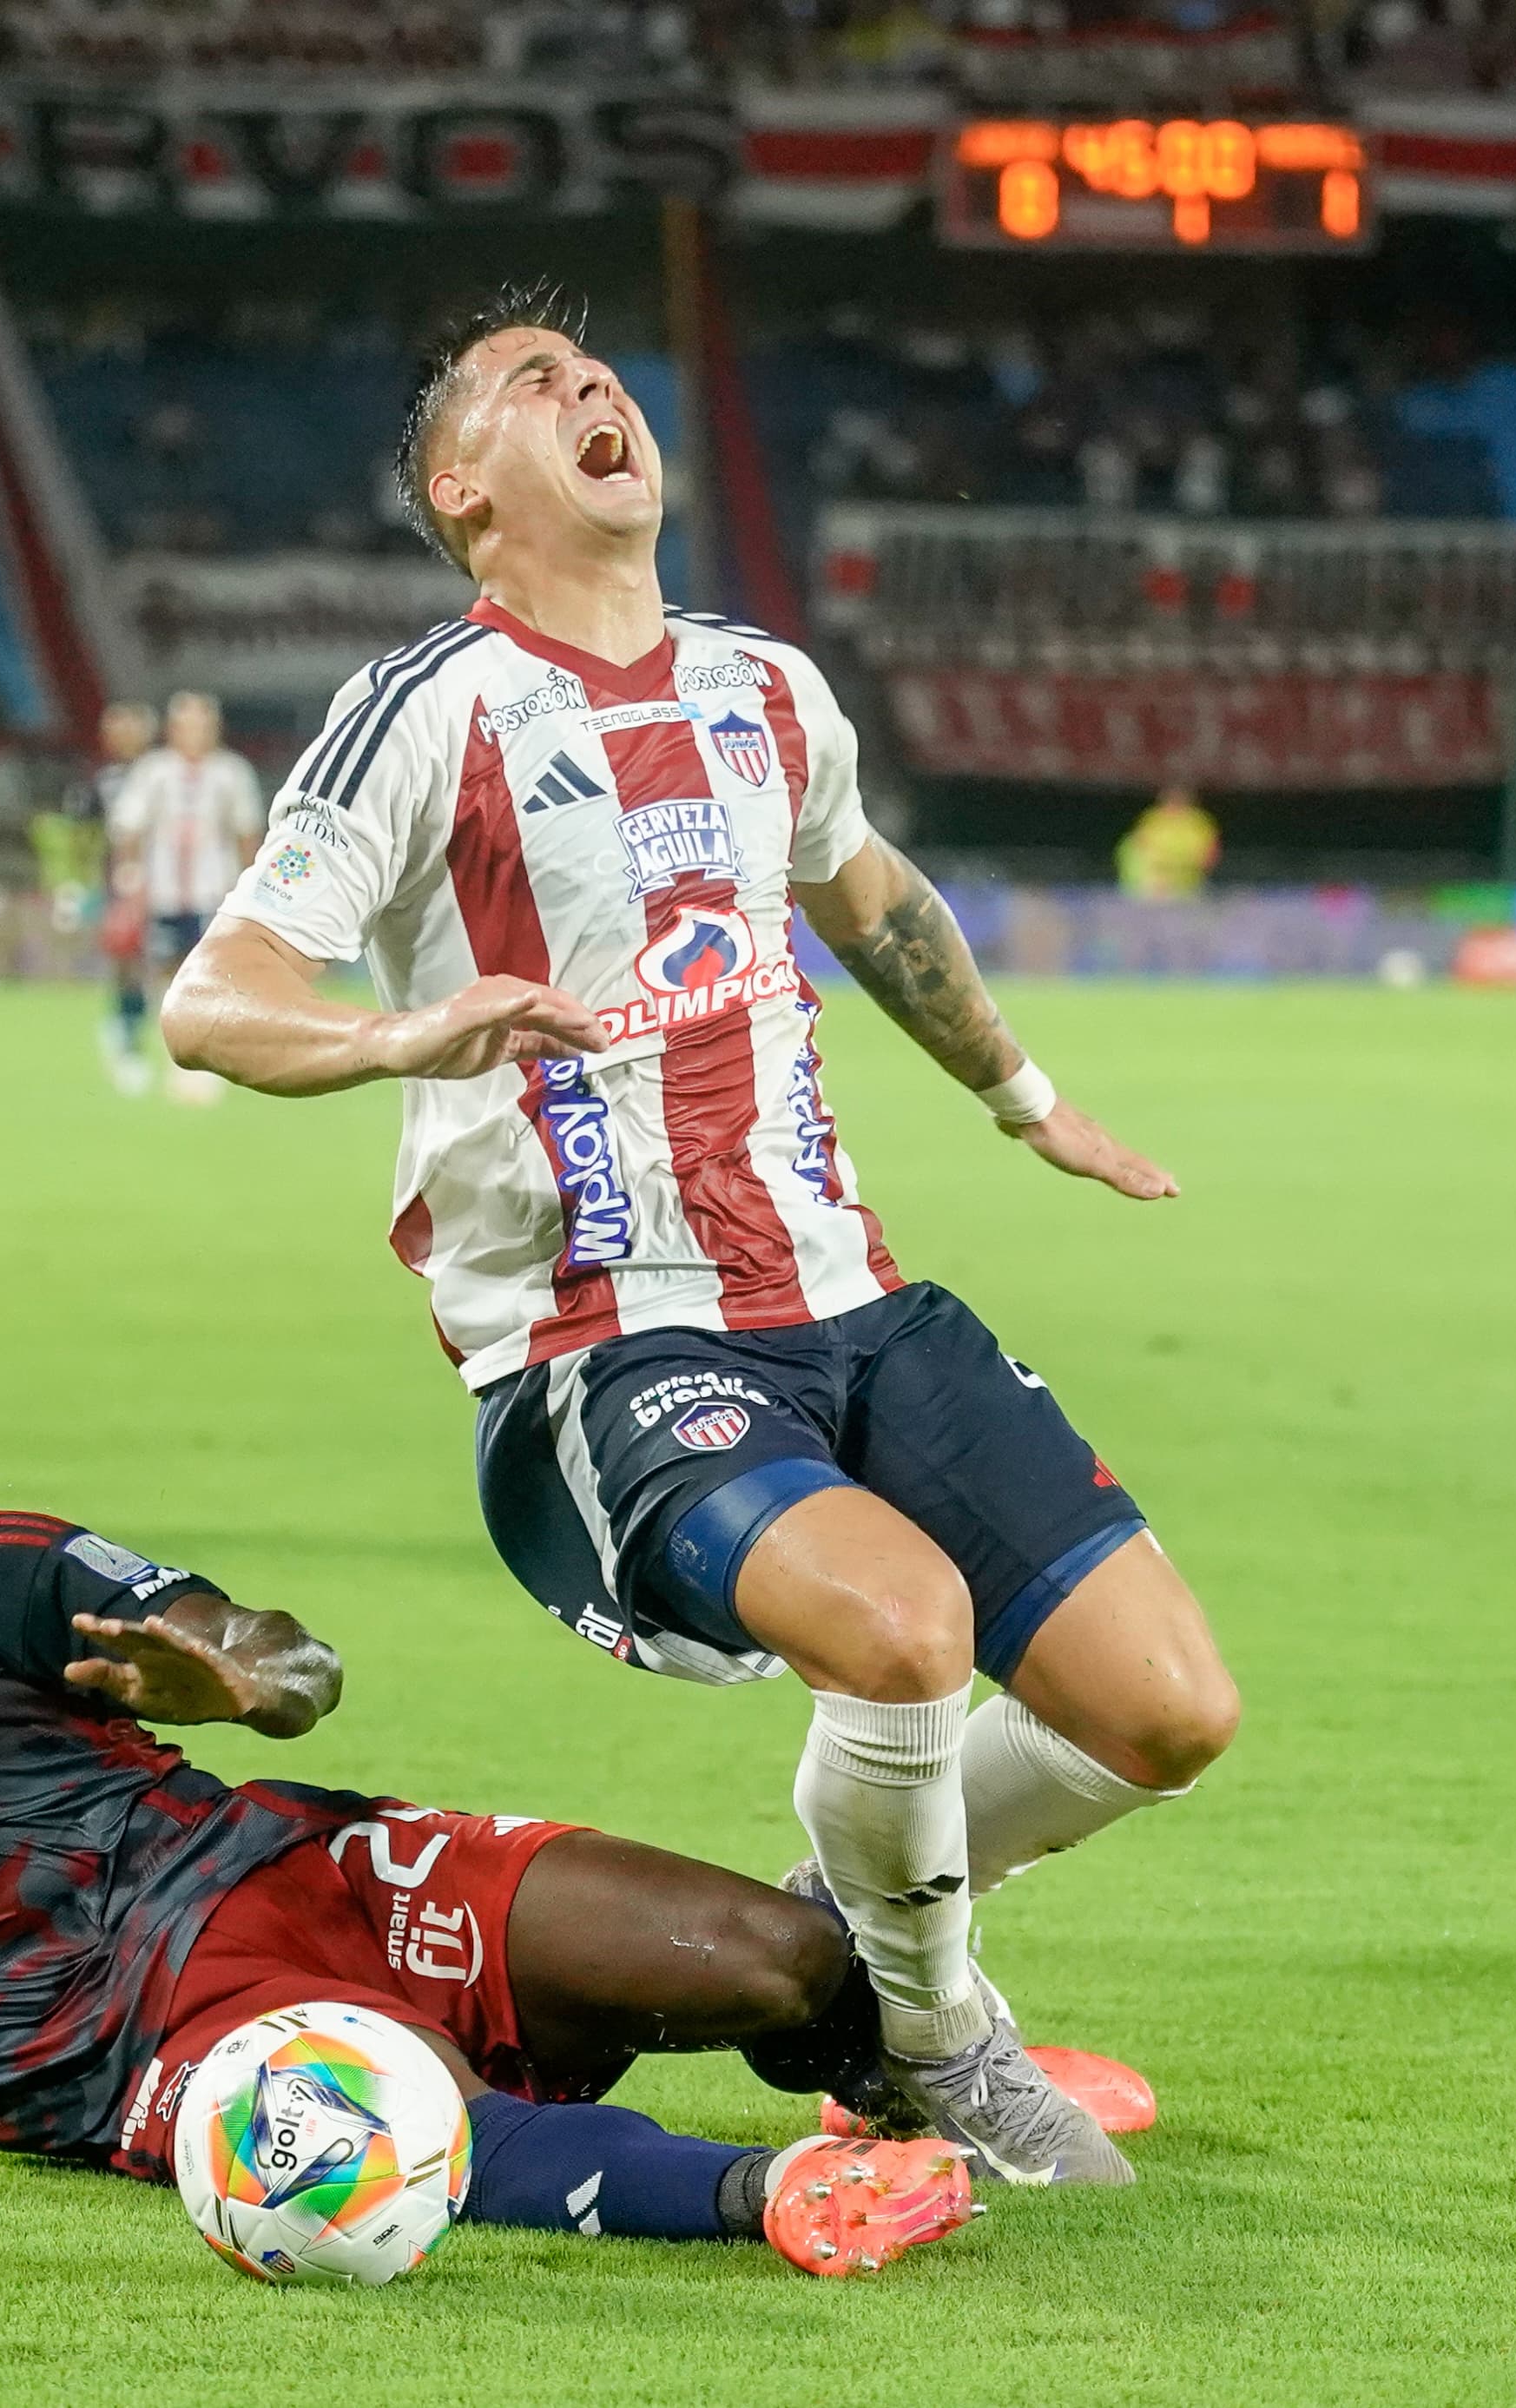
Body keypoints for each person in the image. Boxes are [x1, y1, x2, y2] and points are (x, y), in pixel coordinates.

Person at [161, 287, 1240, 2187]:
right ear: (462, 488)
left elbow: (873, 897)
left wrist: (1023, 1095)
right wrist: (404, 1031)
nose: (588, 385)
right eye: (528, 383)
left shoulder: (767, 688)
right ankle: (931, 2040)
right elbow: (211, 1000)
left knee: (1167, 1712)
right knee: (899, 1630)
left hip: (849, 1293)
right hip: (611, 1336)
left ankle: (854, 1907)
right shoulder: (427, 710)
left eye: (594, 369)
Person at [0, 1243, 979, 2279]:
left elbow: (288, 1660)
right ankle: (774, 2191)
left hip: (283, 1872)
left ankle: (911, 2081)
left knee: (779, 1957)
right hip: (113, 2047)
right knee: (391, 2130)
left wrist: (237, 1681)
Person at [107, 689, 262, 1102]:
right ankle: (150, 1047)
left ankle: (200, 1059)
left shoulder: (231, 773)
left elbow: (246, 831)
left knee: (208, 972)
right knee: (159, 971)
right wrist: (129, 879)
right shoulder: (155, 771)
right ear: (173, 730)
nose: (196, 734)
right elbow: (130, 827)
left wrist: (252, 886)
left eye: (204, 725)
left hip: (212, 891)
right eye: (189, 725)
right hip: (163, 892)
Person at [58, 696, 158, 1095]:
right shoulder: (99, 782)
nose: (122, 735)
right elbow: (82, 838)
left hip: (174, 887)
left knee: (175, 963)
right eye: (115, 727)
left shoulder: (167, 774)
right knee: (128, 962)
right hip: (122, 888)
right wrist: (76, 886)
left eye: (130, 726)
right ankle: (127, 1036)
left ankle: (178, 1044)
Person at [1117, 784, 1220, 902]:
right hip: (1154, 882)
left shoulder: (1199, 822)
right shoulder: (1153, 819)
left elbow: (1211, 853)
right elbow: (1139, 846)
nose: (1175, 805)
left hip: (1188, 882)